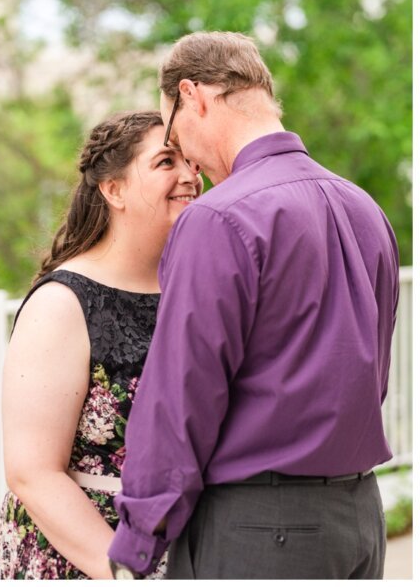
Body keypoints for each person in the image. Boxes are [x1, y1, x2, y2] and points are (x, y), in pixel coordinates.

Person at [107, 32, 399, 579]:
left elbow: (182, 395)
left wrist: (139, 540)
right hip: (360, 520)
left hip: (260, 528)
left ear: (193, 96)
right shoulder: (366, 209)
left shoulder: (219, 217)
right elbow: (371, 374)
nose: (189, 164)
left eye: (175, 134)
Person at [0, 110, 202, 579]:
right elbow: (33, 473)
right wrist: (124, 571)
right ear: (114, 189)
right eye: (167, 161)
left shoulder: (194, 289)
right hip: (89, 557)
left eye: (193, 162)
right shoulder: (62, 304)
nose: (189, 175)